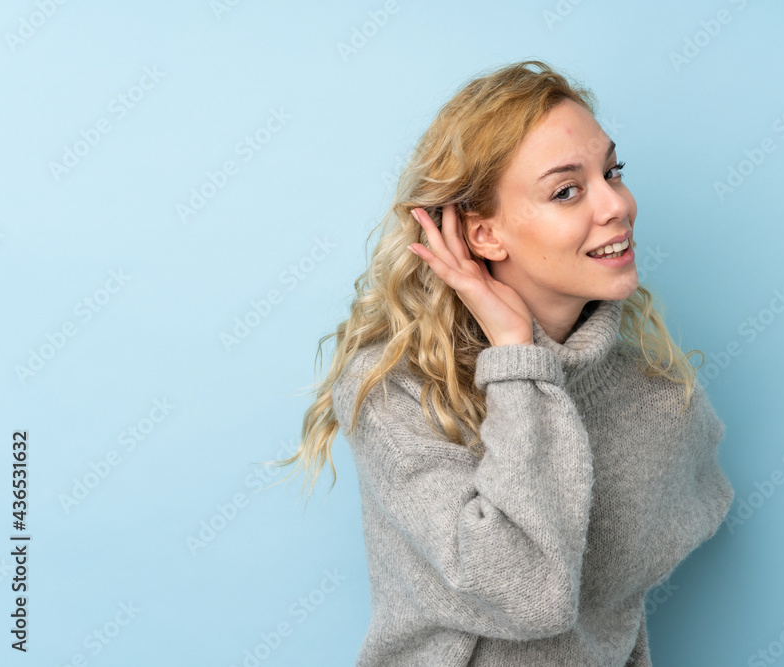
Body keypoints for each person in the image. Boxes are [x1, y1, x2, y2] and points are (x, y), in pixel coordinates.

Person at [274, 59, 734, 666]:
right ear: (485, 235)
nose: (618, 204)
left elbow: (695, 509)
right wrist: (517, 357)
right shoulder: (398, 391)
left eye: (612, 172)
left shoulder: (651, 392)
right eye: (567, 190)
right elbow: (528, 597)